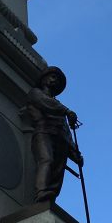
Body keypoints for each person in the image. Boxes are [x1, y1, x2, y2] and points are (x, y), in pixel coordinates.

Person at [26, 67, 83, 204]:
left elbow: (66, 131)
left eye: (57, 79)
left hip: (60, 139)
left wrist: (75, 153)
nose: (54, 81)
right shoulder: (36, 93)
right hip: (44, 132)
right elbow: (45, 102)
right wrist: (67, 111)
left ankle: (49, 199)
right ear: (44, 79)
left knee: (58, 172)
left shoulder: (59, 108)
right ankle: (41, 191)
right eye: (52, 77)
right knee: (47, 160)